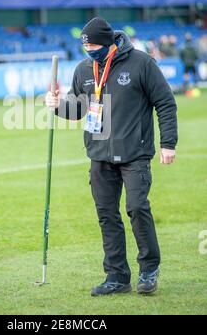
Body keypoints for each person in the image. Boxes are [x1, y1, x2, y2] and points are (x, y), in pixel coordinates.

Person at [45, 17, 178, 297]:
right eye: (86, 46)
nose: (90, 50)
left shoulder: (142, 63)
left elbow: (165, 102)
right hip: (99, 154)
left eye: (93, 45)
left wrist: (169, 143)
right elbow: (78, 109)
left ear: (107, 42)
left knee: (137, 208)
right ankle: (117, 276)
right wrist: (58, 106)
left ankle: (149, 271)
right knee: (107, 216)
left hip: (135, 153)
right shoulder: (83, 69)